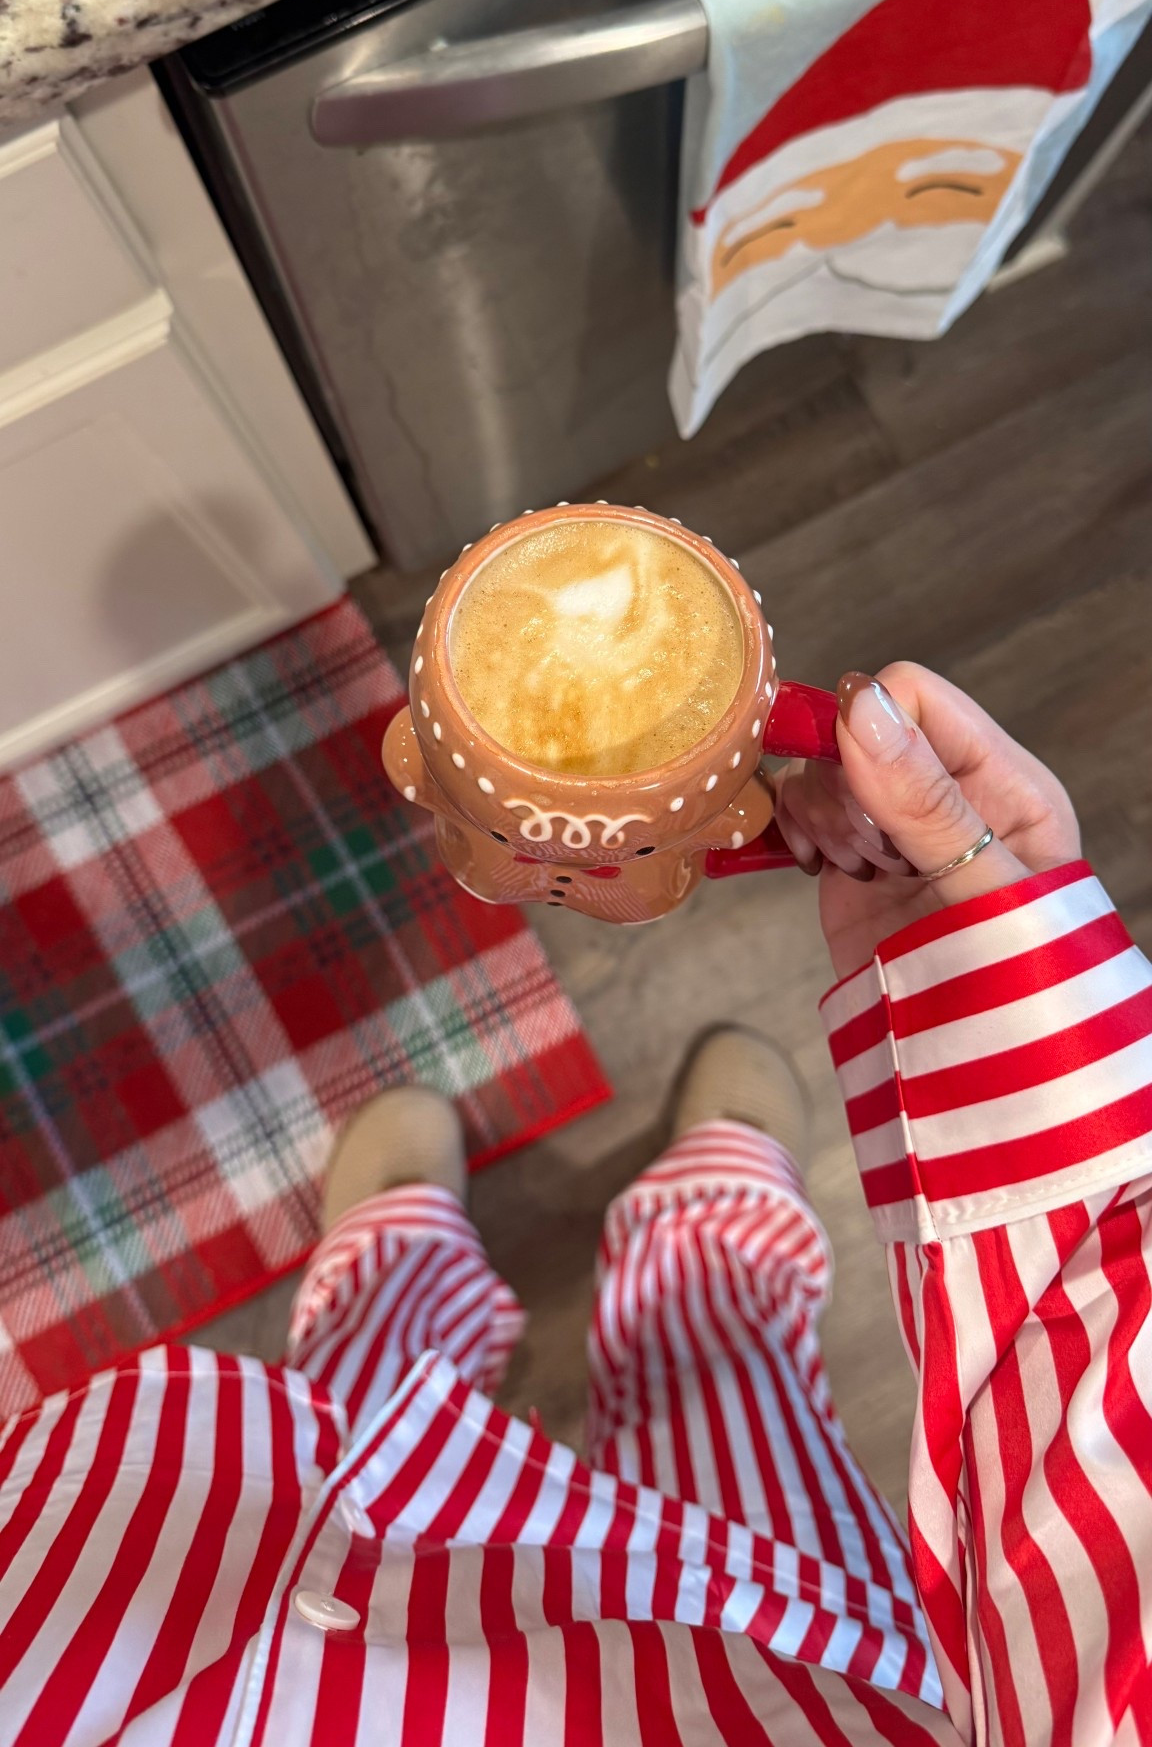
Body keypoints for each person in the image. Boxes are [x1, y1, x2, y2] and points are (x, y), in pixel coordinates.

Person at [1, 664, 1149, 1746]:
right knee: (733, 1381)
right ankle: (714, 1219)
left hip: (166, 1586)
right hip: (792, 1669)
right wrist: (1005, 1027)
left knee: (353, 1381)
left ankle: (396, 1250)